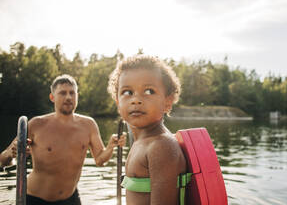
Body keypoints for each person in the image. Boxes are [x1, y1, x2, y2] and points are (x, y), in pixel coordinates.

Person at [25, 74, 126, 205]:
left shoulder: (88, 125)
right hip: (35, 199)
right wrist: (12, 154)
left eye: (72, 93)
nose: (68, 97)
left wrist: (111, 146)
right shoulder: (36, 124)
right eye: (62, 93)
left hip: (70, 198)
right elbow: (6, 158)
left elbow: (100, 160)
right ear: (52, 97)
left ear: (77, 96)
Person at [108, 55, 187, 205]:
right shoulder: (142, 143)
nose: (135, 99)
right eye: (127, 92)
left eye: (149, 91)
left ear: (168, 102)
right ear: (118, 102)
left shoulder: (161, 146)